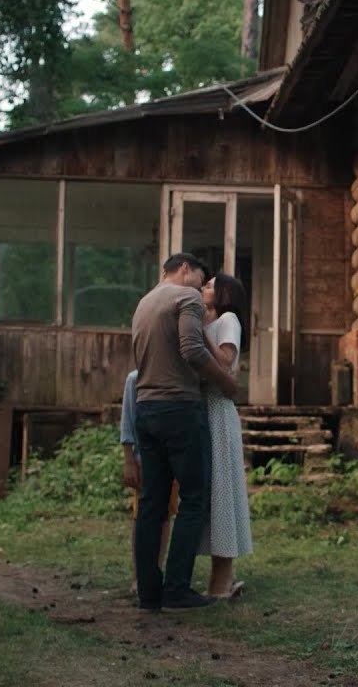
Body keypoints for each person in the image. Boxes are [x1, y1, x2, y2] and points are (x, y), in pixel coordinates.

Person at [131, 252, 239, 612]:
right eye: (200, 279)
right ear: (183, 269)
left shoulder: (144, 303)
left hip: (146, 408)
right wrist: (227, 383)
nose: (201, 287)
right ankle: (176, 589)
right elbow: (191, 350)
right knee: (194, 499)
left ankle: (148, 593)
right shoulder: (185, 297)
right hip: (179, 408)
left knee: (152, 502)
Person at [197, 274, 254, 598]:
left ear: (224, 294)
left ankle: (221, 580)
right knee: (210, 494)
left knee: (222, 492)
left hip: (218, 412)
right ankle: (223, 578)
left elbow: (226, 361)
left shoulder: (228, 319)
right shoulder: (210, 323)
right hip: (204, 411)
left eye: (209, 286)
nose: (203, 288)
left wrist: (200, 333)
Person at [119, 369, 179, 593]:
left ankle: (157, 570)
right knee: (142, 516)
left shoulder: (176, 377)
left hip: (171, 458)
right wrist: (129, 460)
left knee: (166, 515)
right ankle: (139, 576)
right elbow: (127, 421)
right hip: (144, 460)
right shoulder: (135, 378)